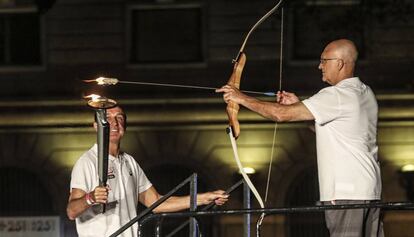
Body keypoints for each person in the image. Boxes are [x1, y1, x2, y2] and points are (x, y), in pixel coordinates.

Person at [217, 39, 383, 237]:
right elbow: (337, 128)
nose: (319, 66)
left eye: (324, 60)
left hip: (346, 193)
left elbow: (280, 114)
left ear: (339, 63)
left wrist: (240, 98)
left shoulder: (337, 95)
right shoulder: (365, 92)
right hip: (370, 192)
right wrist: (299, 105)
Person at [66, 105, 229, 237]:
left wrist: (204, 198)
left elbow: (156, 203)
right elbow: (71, 211)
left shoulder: (129, 162)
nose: (115, 123)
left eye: (119, 118)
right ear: (96, 126)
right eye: (108, 118)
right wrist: (91, 197)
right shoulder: (87, 162)